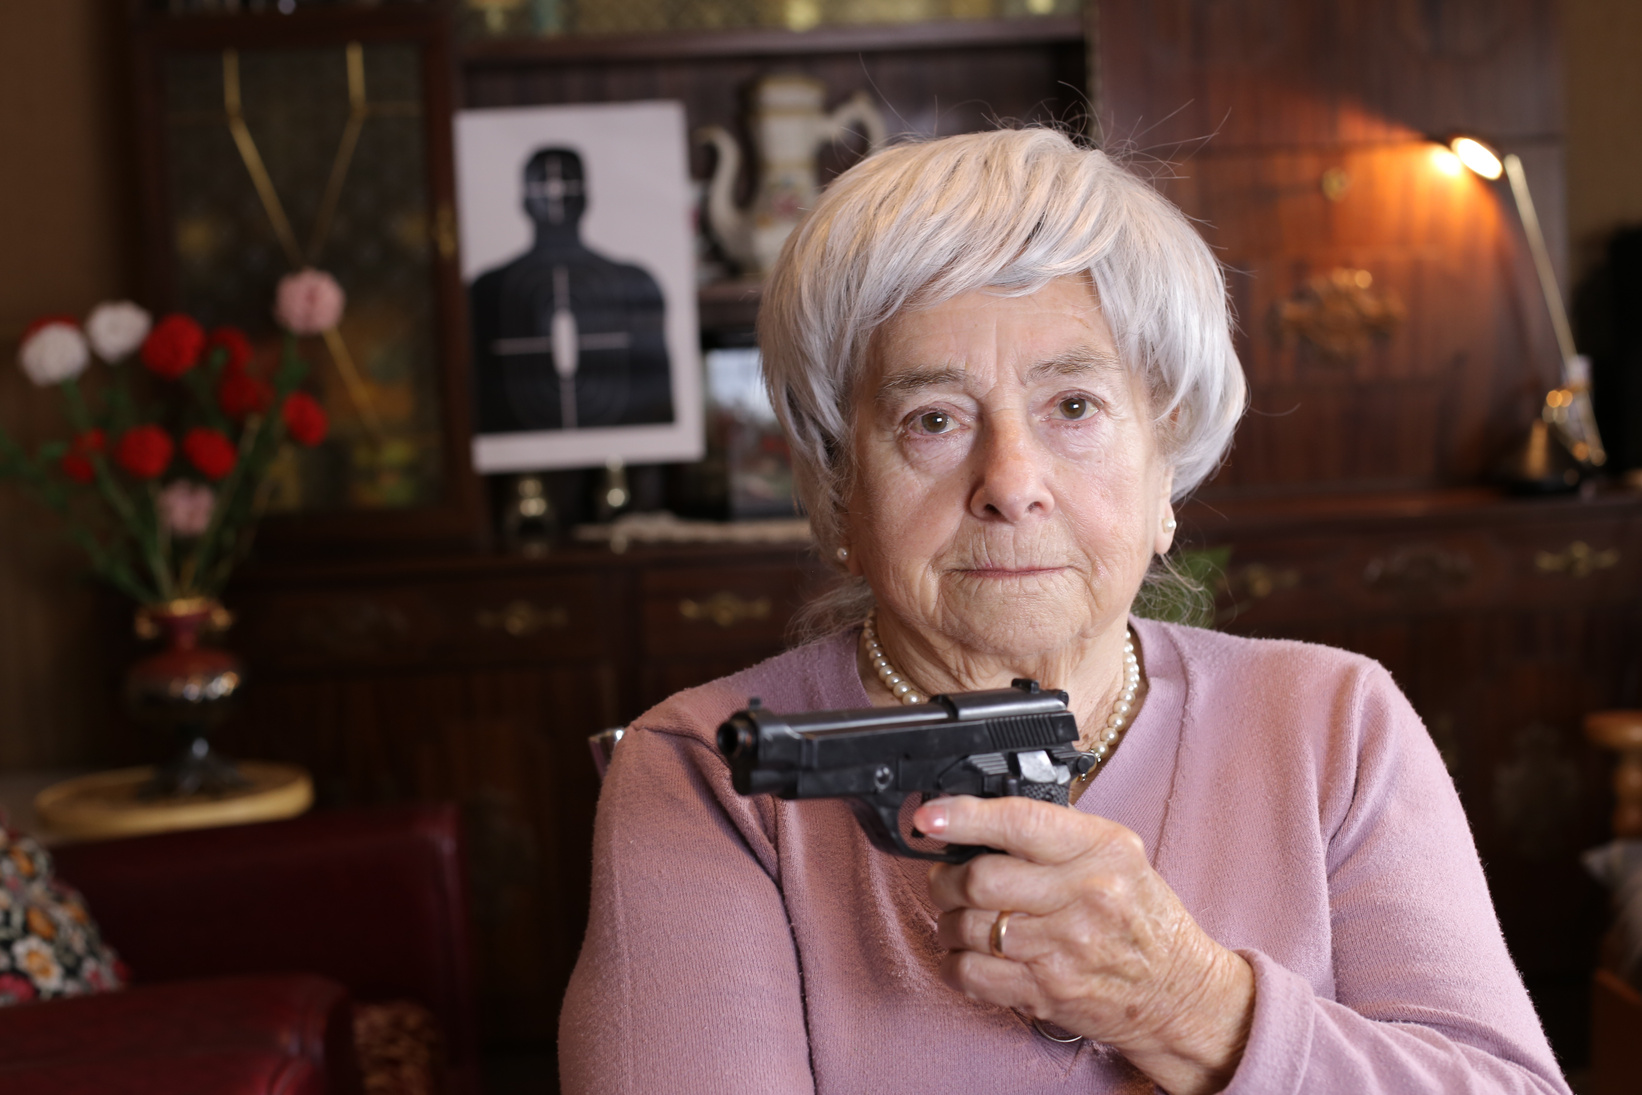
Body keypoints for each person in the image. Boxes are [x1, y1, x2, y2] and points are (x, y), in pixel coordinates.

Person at [559, 129, 1570, 1094]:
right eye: (932, 419)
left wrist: (1192, 1007)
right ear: (837, 494)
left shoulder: (1332, 722)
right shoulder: (700, 774)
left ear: (1161, 466)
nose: (1011, 482)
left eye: (1073, 407)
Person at [469, 147, 674, 434]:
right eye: (544, 185)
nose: (555, 196)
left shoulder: (635, 283)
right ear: (525, 200)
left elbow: (655, 398)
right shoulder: (488, 291)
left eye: (566, 184)